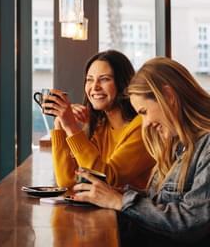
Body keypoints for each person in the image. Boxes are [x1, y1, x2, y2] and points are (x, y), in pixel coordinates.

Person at [71, 57, 210, 245]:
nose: (145, 124)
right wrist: (113, 194)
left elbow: (193, 224)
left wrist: (120, 201)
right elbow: (159, 204)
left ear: (168, 96)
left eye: (144, 112)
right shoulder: (178, 144)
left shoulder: (206, 146)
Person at [43, 50, 154, 190]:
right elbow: (68, 182)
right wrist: (60, 124)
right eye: (89, 79)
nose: (94, 87)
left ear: (122, 83)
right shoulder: (101, 126)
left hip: (132, 210)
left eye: (104, 79)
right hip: (107, 209)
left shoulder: (143, 126)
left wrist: (71, 126)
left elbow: (108, 180)